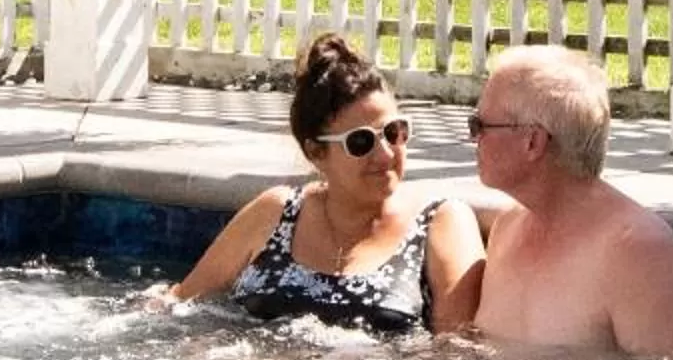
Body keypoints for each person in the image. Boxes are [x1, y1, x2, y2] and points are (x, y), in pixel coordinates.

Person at [168, 35, 483, 334]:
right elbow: (178, 305)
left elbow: (453, 353)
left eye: (394, 132)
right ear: (316, 152)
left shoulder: (439, 223)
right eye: (361, 142)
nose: (386, 153)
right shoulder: (276, 213)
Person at [451, 45, 673, 360]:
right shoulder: (507, 229)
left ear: (533, 141)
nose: (472, 138)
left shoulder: (636, 249)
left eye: (480, 126)